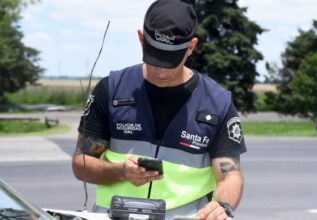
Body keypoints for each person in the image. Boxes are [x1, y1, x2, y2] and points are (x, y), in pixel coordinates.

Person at [72, 0, 246, 219]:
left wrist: (223, 207)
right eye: (154, 59)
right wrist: (121, 172)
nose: (161, 72)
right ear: (141, 39)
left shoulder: (217, 102)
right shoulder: (111, 90)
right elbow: (81, 164)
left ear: (191, 47)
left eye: (170, 61)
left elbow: (230, 175)